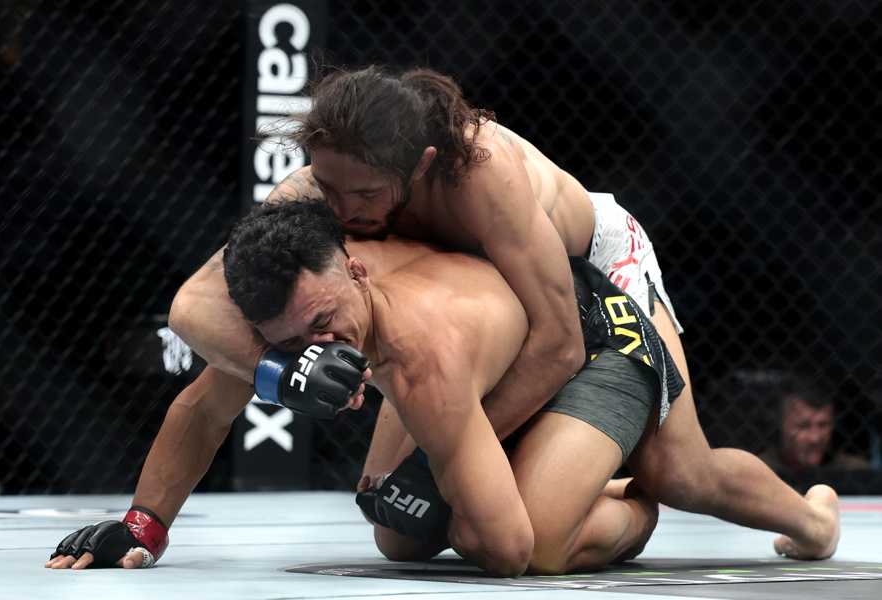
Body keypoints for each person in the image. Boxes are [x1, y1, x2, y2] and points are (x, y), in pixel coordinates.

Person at [167, 65, 840, 561]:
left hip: (589, 275)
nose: (340, 213)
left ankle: (812, 521)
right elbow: (196, 303)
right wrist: (276, 375)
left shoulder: (482, 172)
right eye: (329, 188)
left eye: (365, 193)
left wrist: (437, 464)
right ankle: (561, 483)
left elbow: (560, 343)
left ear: (419, 164)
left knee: (680, 471)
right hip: (482, 309)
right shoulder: (327, 185)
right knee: (400, 537)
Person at [46, 201, 667, 574]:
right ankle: (527, 465)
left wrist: (436, 472)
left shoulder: (421, 348)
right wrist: (142, 527)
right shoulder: (296, 309)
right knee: (398, 539)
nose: (325, 348)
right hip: (489, 355)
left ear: (355, 270)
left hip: (590, 337)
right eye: (297, 345)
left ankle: (638, 501)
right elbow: (205, 407)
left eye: (323, 324)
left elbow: (504, 550)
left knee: (534, 548)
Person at [759, 372, 873, 491]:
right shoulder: (758, 472)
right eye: (803, 426)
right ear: (779, 425)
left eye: (823, 425)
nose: (815, 438)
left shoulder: (855, 471)